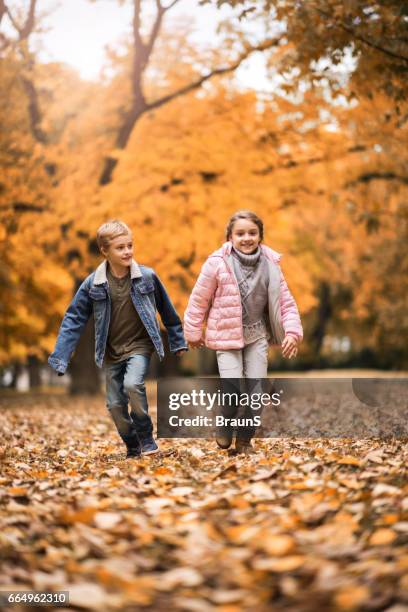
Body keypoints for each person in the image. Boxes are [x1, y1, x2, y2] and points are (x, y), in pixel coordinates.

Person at [48, 219, 188, 459]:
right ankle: (132, 443)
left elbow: (167, 311)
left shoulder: (146, 276)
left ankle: (146, 438)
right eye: (120, 248)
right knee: (114, 405)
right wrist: (61, 356)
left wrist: (177, 341)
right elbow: (73, 318)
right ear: (105, 251)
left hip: (140, 346)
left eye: (130, 246)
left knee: (133, 384)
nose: (127, 252)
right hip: (111, 352)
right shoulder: (94, 283)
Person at [184, 210, 303, 454]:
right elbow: (199, 299)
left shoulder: (271, 266)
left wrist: (292, 332)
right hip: (226, 337)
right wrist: (193, 331)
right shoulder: (217, 263)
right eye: (240, 233)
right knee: (233, 389)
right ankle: (225, 425)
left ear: (260, 236)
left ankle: (245, 439)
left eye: (252, 232)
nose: (246, 238)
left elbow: (286, 303)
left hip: (256, 336)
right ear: (230, 237)